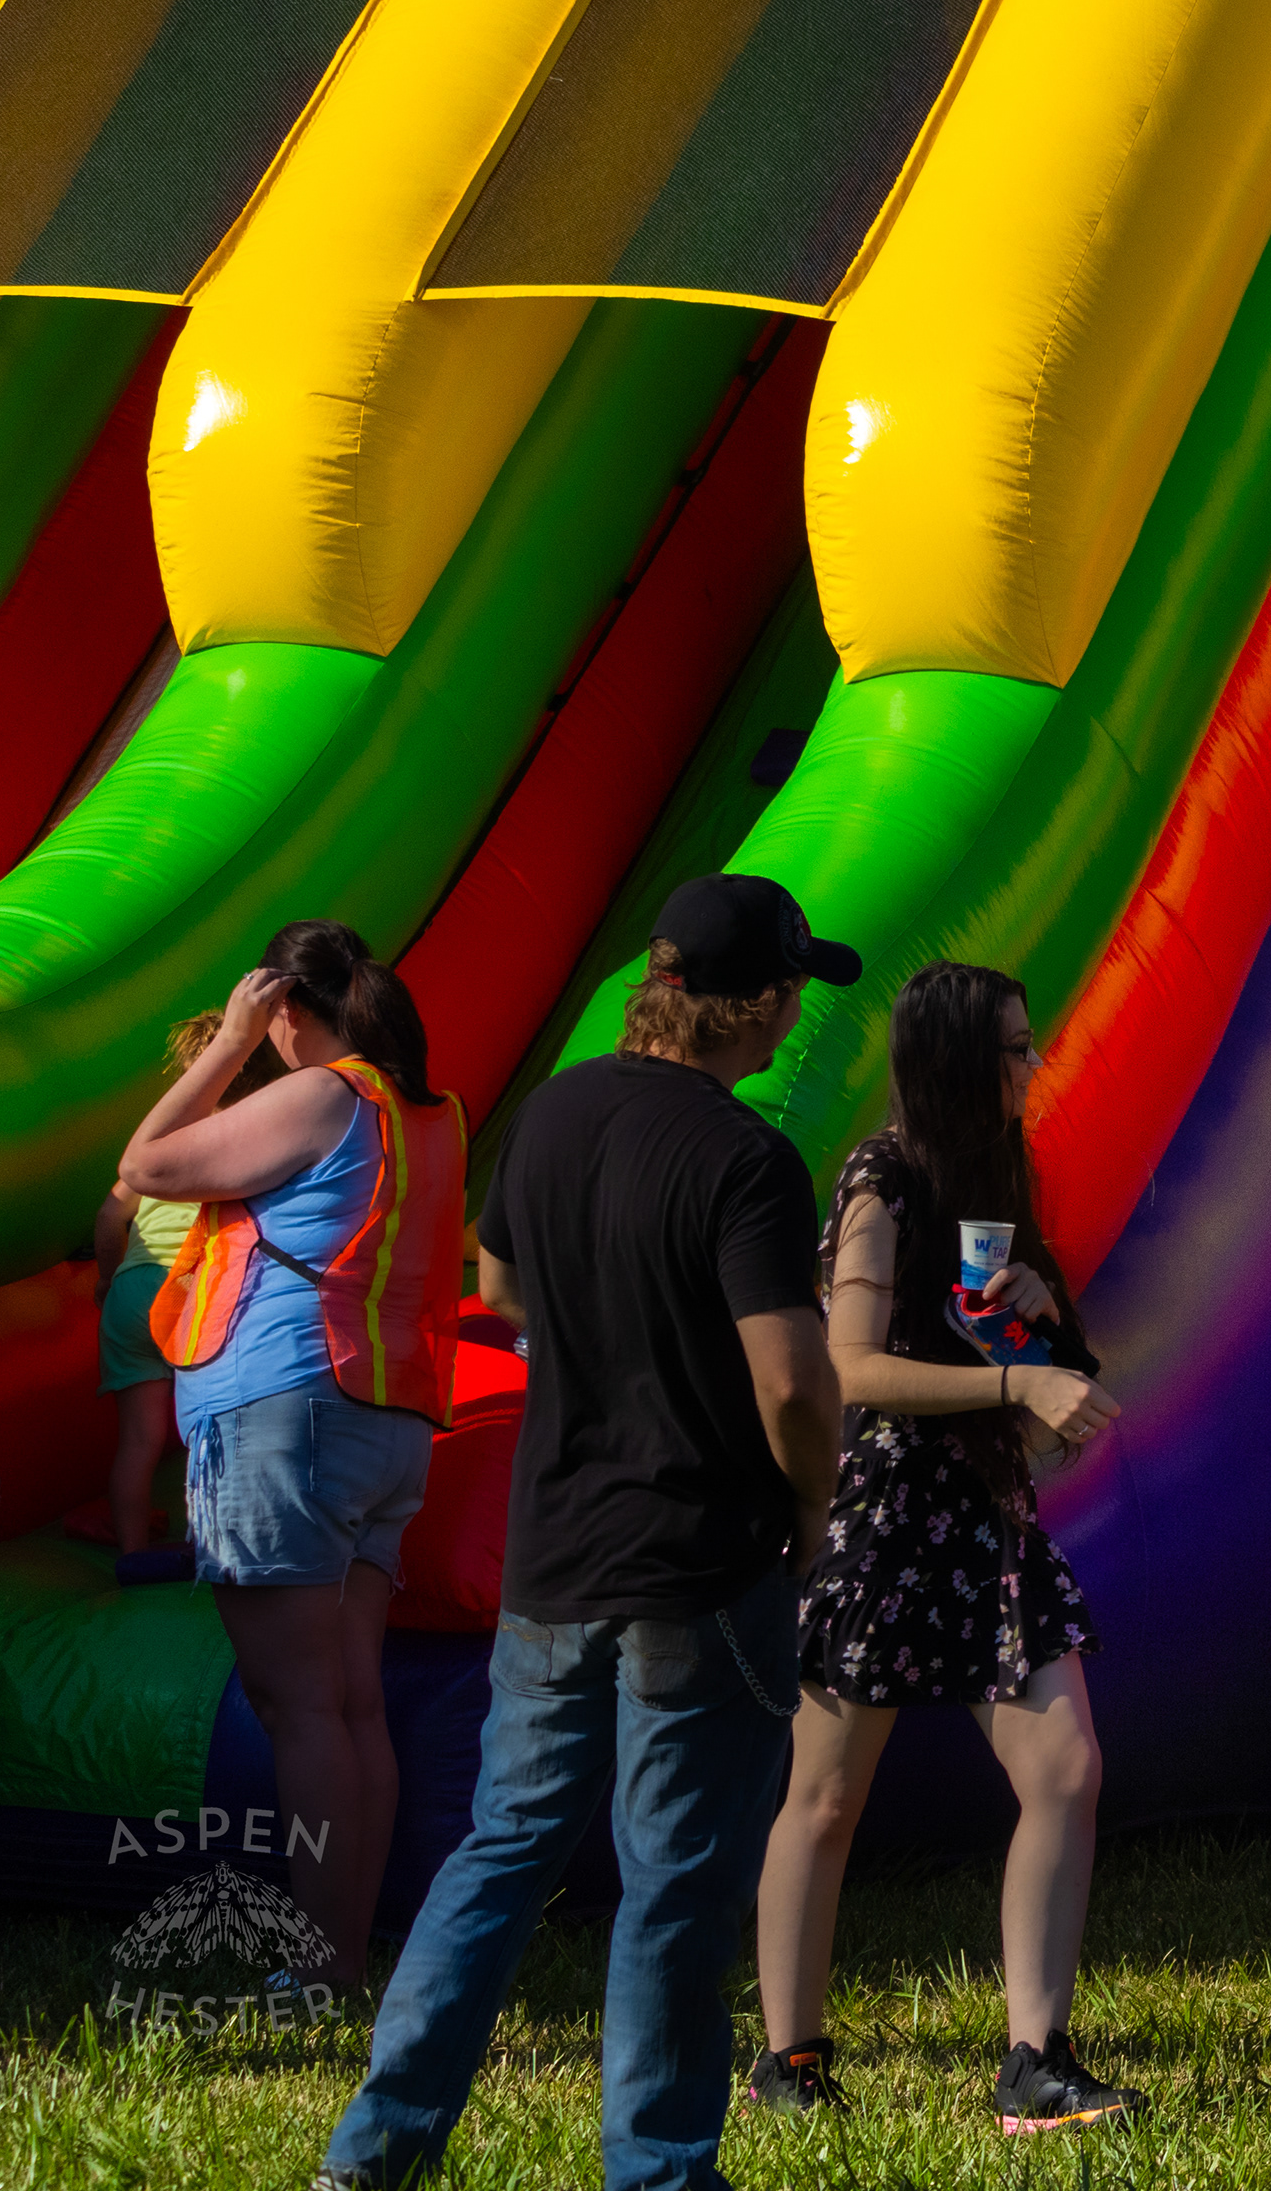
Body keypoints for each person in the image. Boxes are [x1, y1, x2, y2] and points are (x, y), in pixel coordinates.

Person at [320, 876, 850, 2191]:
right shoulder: (746, 1160)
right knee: (674, 1878)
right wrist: (811, 1506)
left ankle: (372, 2154)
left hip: (553, 1553)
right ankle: (660, 2172)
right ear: (759, 1004)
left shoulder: (556, 1114)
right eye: (789, 995)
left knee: (503, 1850)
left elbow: (499, 1283)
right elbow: (790, 1379)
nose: (793, 1019)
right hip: (699, 1563)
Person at [750, 960, 1138, 2133]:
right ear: (960, 1056)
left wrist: (1035, 1317)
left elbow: (1031, 1370)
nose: (1032, 1062)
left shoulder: (993, 1178)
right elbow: (850, 1366)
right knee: (823, 1800)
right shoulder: (883, 1183)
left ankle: (1036, 2057)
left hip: (983, 1516)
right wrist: (1020, 1373)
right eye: (1014, 1045)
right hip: (888, 1525)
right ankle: (790, 2060)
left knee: (1065, 1772)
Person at [117, 924, 462, 1991]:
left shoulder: (325, 1095)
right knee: (350, 1701)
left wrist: (222, 1046)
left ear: (284, 1006)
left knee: (305, 1706)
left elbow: (146, 1166)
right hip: (381, 1423)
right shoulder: (428, 1112)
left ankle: (319, 1967)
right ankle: (343, 1958)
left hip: (285, 1415)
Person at [92, 1010, 291, 1584]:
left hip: (131, 1290)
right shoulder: (249, 1134)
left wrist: (108, 1281)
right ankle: (204, 1546)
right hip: (190, 1288)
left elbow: (111, 1215)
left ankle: (130, 1552)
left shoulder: (167, 1133)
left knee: (139, 1438)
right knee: (204, 1431)